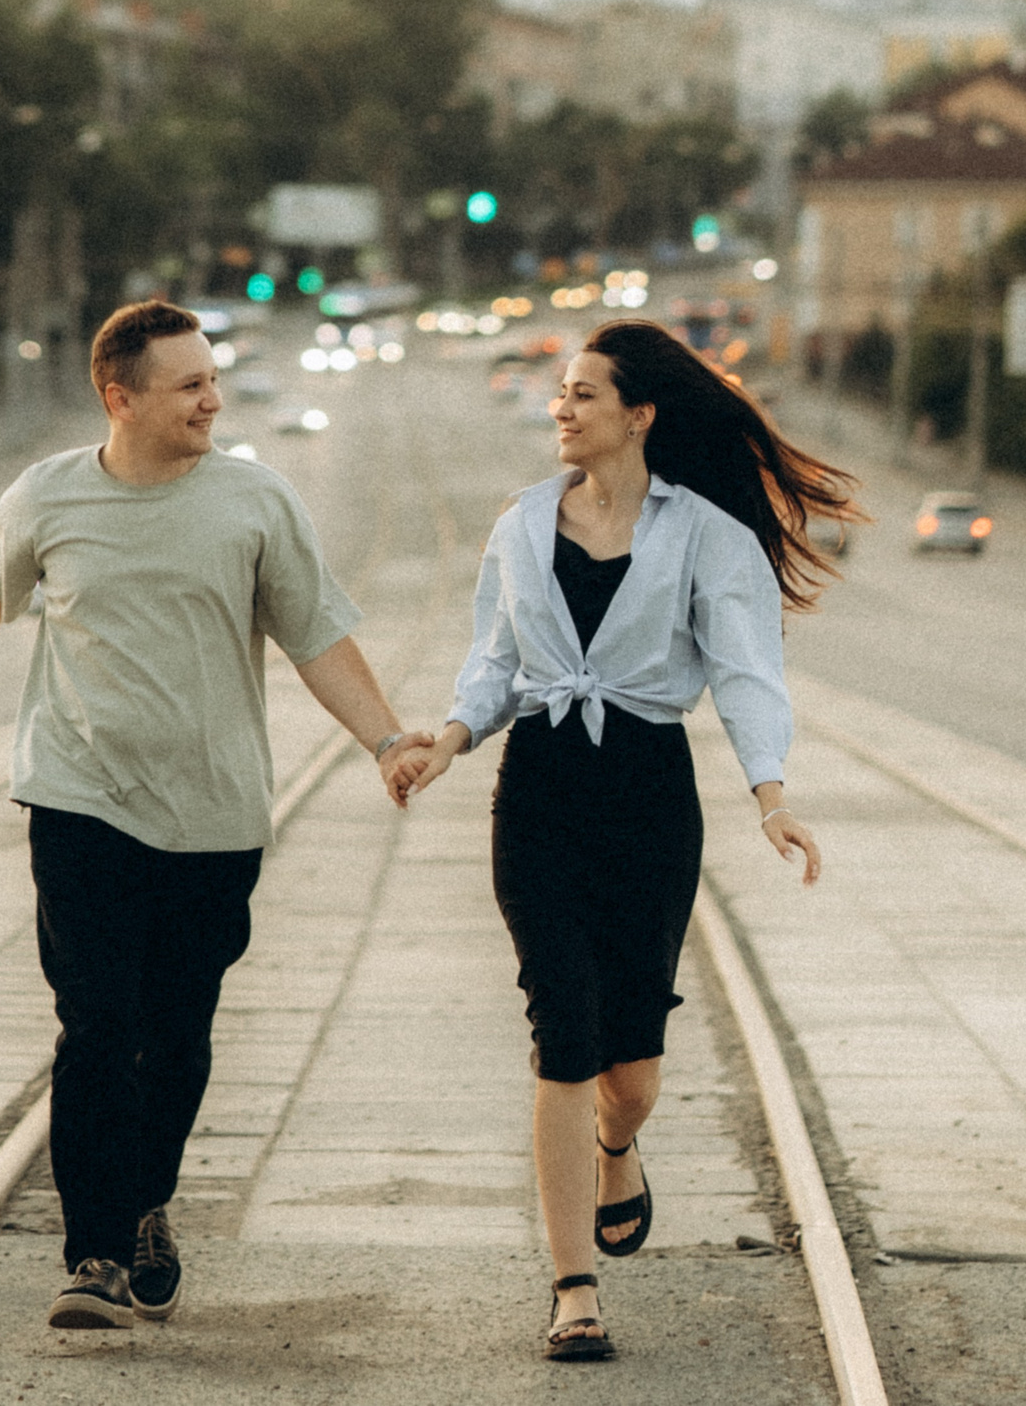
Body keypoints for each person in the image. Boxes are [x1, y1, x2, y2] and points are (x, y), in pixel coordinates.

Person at [0, 299, 431, 1331]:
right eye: (189, 383)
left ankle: (147, 1199)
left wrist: (385, 741)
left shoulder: (253, 501)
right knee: (96, 1025)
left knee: (178, 1033)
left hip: (214, 815)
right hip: (79, 799)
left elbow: (315, 638)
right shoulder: (47, 497)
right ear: (122, 398)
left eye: (212, 379)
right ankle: (95, 1252)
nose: (212, 397)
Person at [392, 317, 853, 1363]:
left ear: (638, 414)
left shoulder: (707, 538)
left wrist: (770, 797)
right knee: (561, 1031)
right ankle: (572, 1290)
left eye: (583, 394)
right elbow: (494, 662)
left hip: (648, 794)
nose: (562, 407)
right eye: (560, 393)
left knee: (630, 1068)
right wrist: (450, 740)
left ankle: (618, 1145)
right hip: (541, 790)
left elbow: (743, 671)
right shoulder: (518, 526)